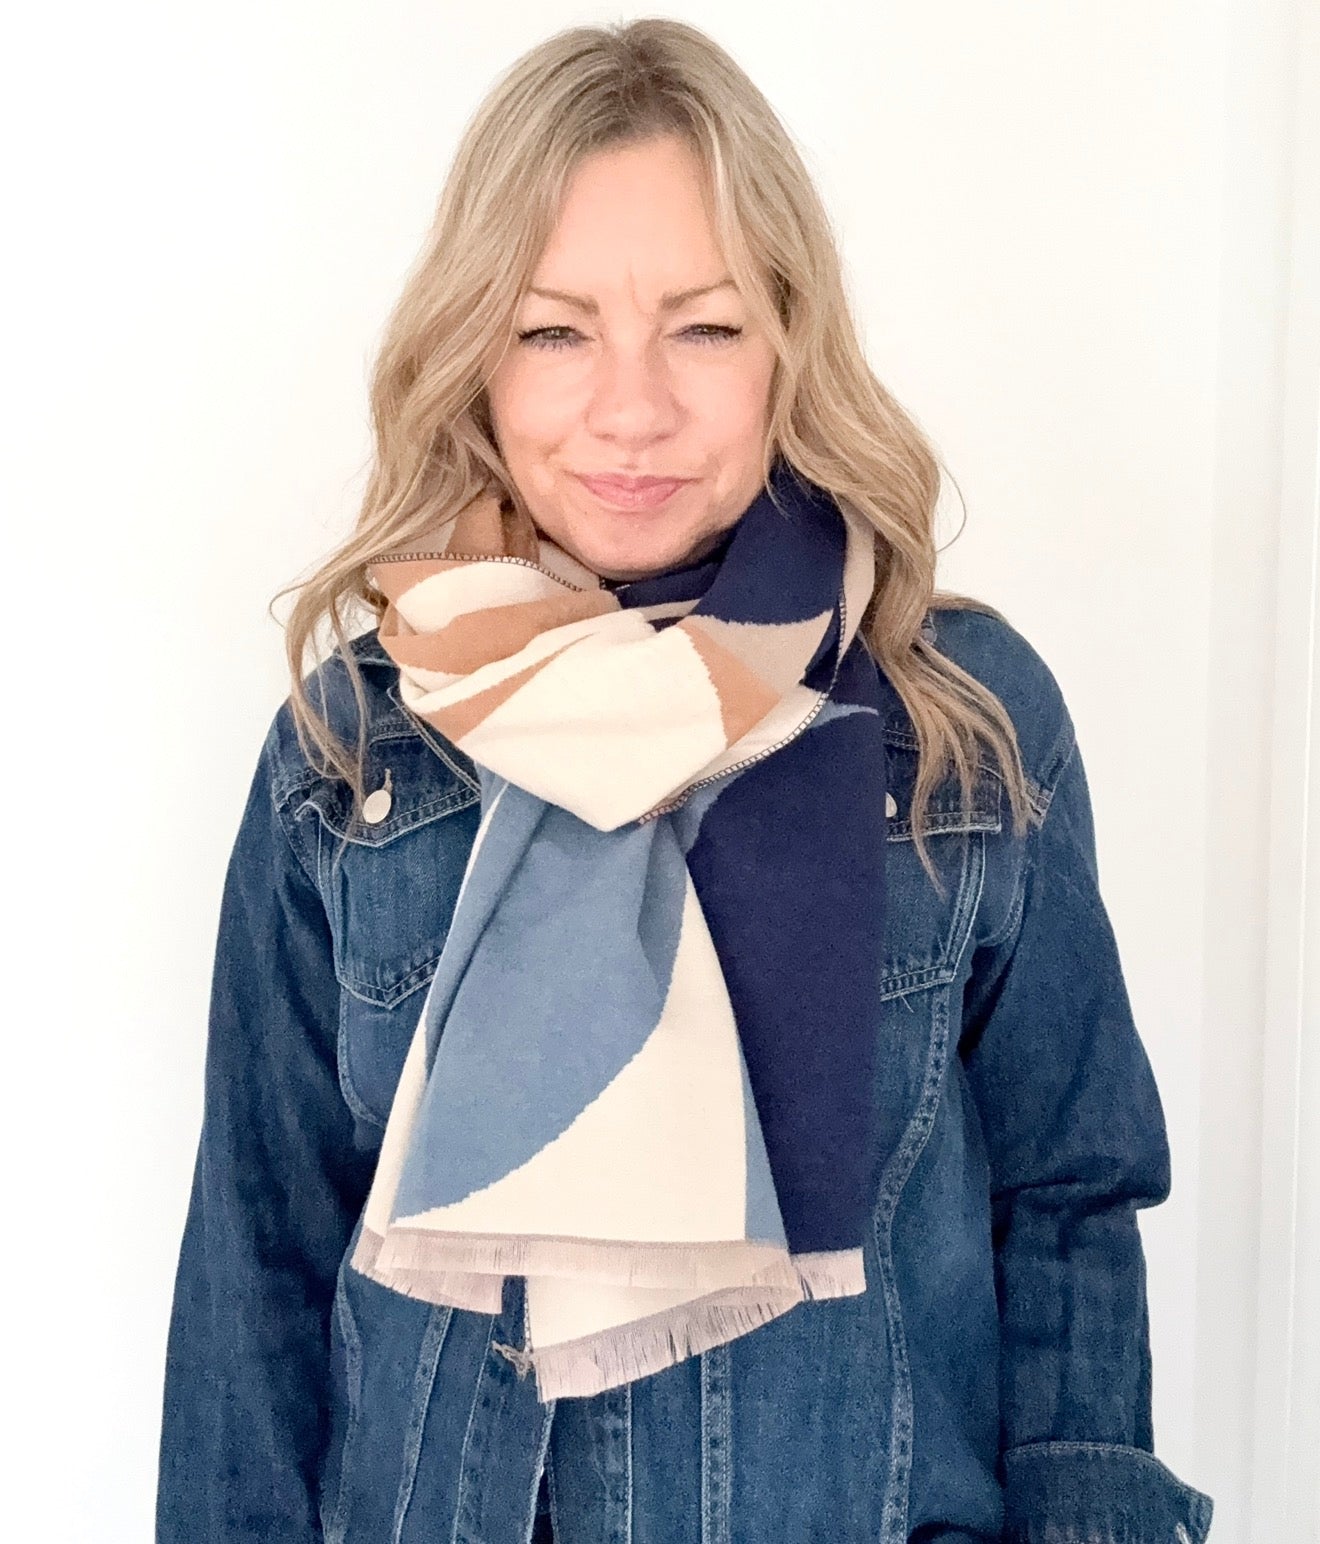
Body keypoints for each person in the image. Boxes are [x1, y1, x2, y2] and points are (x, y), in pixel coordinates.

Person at [155, 18, 1216, 1544]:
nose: (632, 408)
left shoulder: (963, 725)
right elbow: (255, 1265)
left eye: (704, 328)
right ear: (476, 351)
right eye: (554, 330)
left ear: (788, 337)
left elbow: (1068, 1201)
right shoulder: (353, 753)